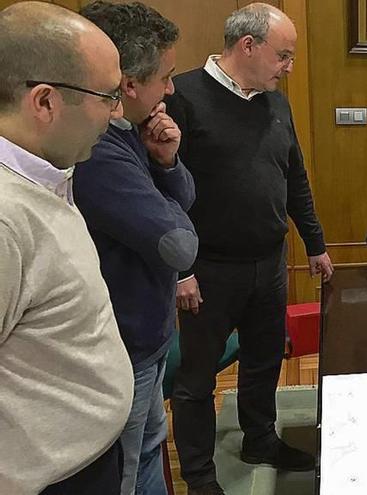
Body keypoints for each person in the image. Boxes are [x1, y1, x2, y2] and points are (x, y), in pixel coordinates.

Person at [165, 4, 332, 494]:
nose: (288, 67)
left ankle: (260, 439)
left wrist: (316, 244)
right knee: (195, 380)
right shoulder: (185, 97)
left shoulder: (275, 102)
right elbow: (162, 188)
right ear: (248, 46)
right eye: (283, 55)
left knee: (265, 361)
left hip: (269, 262)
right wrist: (181, 270)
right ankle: (199, 476)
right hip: (208, 270)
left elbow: (294, 176)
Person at [0, 2, 134, 493]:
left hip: (87, 461)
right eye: (108, 96)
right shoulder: (5, 216)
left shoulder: (47, 176)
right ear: (45, 102)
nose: (119, 113)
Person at [74, 2, 195, 493]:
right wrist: (173, 213)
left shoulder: (130, 137)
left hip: (148, 339)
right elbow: (180, 246)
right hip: (121, 352)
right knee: (126, 472)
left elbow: (183, 198)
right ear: (128, 84)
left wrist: (166, 162)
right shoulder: (99, 151)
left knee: (148, 455)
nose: (170, 88)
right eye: (164, 77)